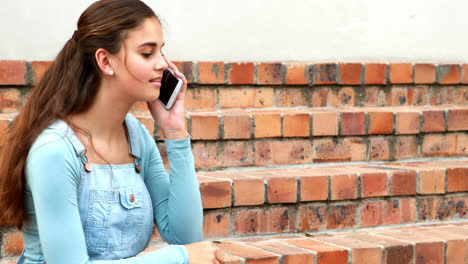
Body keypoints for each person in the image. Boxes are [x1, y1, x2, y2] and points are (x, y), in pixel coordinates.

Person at [0, 0, 224, 263]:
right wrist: (178, 257)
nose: (163, 64)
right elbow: (186, 250)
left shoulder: (136, 138)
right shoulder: (55, 151)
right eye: (147, 53)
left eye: (161, 51)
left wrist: (175, 132)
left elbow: (186, 236)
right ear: (105, 61)